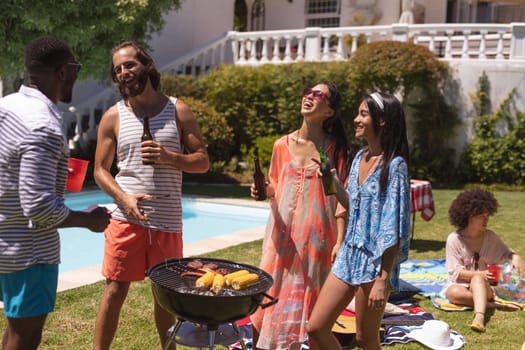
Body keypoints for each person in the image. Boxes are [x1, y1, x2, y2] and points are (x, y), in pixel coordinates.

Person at [93, 40, 209, 350]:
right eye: (118, 69)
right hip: (125, 218)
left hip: (167, 221)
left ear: (147, 66)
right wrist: (124, 199)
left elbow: (202, 161)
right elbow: (100, 171)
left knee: (165, 293)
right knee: (115, 290)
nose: (124, 73)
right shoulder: (113, 116)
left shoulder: (178, 109)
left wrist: (171, 158)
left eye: (129, 65)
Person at [0, 36, 111, 350]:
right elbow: (38, 207)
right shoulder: (43, 126)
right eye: (75, 68)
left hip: (5, 241)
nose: (77, 75)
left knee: (14, 328)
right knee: (26, 336)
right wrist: (88, 219)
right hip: (30, 252)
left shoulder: (6, 105)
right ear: (63, 72)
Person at [249, 82, 353, 349]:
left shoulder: (335, 149)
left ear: (329, 111)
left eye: (318, 95)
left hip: (318, 240)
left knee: (314, 313)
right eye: (308, 91)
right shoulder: (281, 145)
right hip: (281, 239)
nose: (309, 96)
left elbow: (339, 199)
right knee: (267, 301)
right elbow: (276, 187)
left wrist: (340, 240)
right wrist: (262, 189)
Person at [306, 92, 411, 350]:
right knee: (316, 327)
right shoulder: (359, 157)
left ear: (382, 121)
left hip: (375, 262)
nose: (356, 119)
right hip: (349, 254)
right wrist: (328, 177)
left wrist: (383, 279)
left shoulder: (395, 166)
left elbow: (394, 227)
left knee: (366, 338)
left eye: (363, 114)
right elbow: (352, 203)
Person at [441, 188, 523, 333]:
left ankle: (479, 317)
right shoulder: (454, 239)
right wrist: (481, 273)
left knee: (478, 279)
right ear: (468, 216)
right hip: (461, 285)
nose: (486, 220)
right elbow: (455, 272)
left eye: (487, 216)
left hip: (485, 287)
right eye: (481, 216)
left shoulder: (490, 237)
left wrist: (515, 256)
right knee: (453, 293)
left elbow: (507, 254)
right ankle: (491, 305)